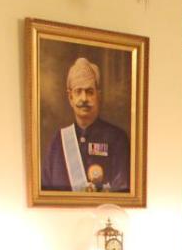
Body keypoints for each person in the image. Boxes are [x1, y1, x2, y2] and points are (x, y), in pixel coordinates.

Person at [41, 57, 130, 193]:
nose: (84, 98)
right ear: (70, 97)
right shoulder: (57, 142)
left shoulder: (118, 139)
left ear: (98, 95)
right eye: (78, 92)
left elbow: (123, 192)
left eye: (89, 92)